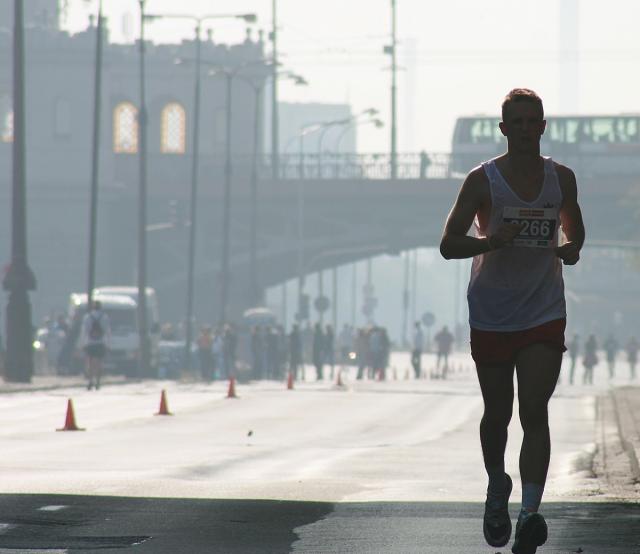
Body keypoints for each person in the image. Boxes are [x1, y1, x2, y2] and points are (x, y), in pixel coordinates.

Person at [439, 88, 584, 553]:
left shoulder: (561, 178)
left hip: (543, 311)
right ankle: (497, 485)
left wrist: (572, 248)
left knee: (534, 411)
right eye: (516, 122)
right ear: (503, 129)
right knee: (498, 414)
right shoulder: (482, 181)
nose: (524, 129)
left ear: (543, 126)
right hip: (493, 313)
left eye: (532, 121)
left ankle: (530, 513)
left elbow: (575, 228)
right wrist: (490, 242)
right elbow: (448, 244)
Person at [81, 300, 111, 390]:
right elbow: (107, 331)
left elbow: (84, 331)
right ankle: (98, 381)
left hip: (90, 343)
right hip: (100, 343)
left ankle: (90, 381)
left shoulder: (87, 317)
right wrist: (108, 343)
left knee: (90, 363)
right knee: (99, 363)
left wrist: (82, 343)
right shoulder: (104, 317)